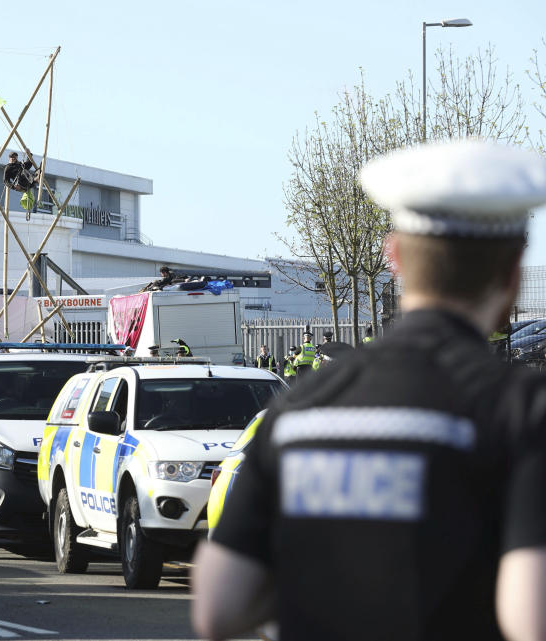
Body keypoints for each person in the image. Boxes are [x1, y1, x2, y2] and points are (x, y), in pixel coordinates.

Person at [191, 139, 546, 641]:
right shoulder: (523, 411)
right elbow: (531, 617)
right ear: (512, 275)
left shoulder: (299, 409)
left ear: (394, 256)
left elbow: (219, 609)